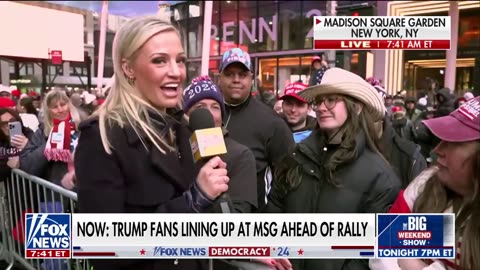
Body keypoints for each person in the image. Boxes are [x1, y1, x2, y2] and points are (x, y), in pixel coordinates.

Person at [74, 16, 228, 270]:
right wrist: (191, 202)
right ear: (128, 68)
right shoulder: (102, 137)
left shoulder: (185, 126)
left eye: (180, 60)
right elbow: (105, 248)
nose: (176, 72)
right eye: (159, 61)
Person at [266, 68, 401, 270]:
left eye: (331, 100)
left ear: (355, 107)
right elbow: (274, 211)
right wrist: (275, 251)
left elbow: (370, 253)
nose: (321, 107)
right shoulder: (296, 156)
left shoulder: (379, 175)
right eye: (319, 101)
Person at [370, 96, 480, 270]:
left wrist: (414, 265)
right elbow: (384, 246)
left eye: (455, 142)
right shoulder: (425, 183)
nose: (438, 150)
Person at [217, 47, 294, 210]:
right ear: (219, 78)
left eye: (242, 74)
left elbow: (289, 177)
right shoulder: (207, 115)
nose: (236, 79)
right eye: (230, 74)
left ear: (251, 78)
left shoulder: (271, 122)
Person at [182, 75, 257, 213]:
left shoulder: (240, 155)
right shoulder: (175, 150)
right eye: (200, 107)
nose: (209, 114)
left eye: (215, 107)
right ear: (187, 115)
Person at [20, 89, 82, 187]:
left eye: (63, 104)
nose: (60, 110)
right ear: (48, 110)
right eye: (55, 107)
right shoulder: (42, 132)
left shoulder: (82, 127)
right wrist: (49, 144)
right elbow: (27, 165)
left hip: (83, 191)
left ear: (69, 105)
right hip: (54, 196)